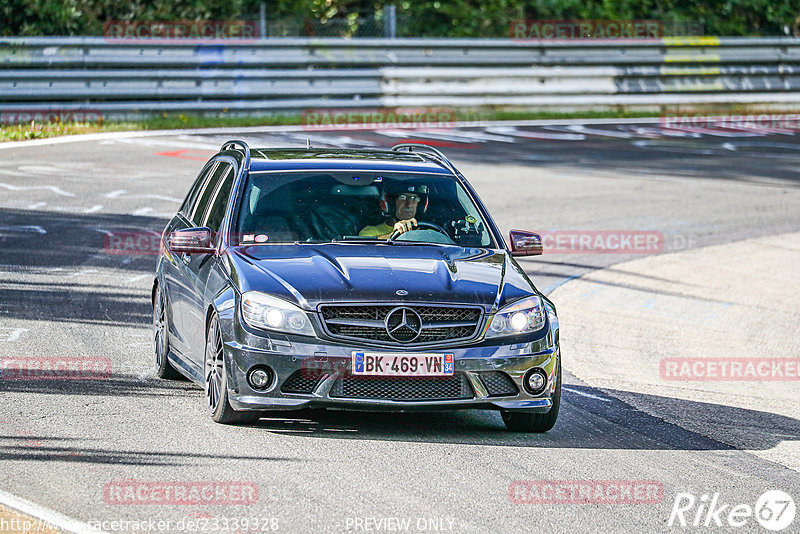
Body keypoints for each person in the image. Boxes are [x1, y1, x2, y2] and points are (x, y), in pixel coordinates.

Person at [359, 186, 427, 239]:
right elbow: (366, 248)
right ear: (390, 203)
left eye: (414, 198)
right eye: (403, 197)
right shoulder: (369, 232)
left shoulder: (427, 231)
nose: (409, 204)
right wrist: (395, 233)